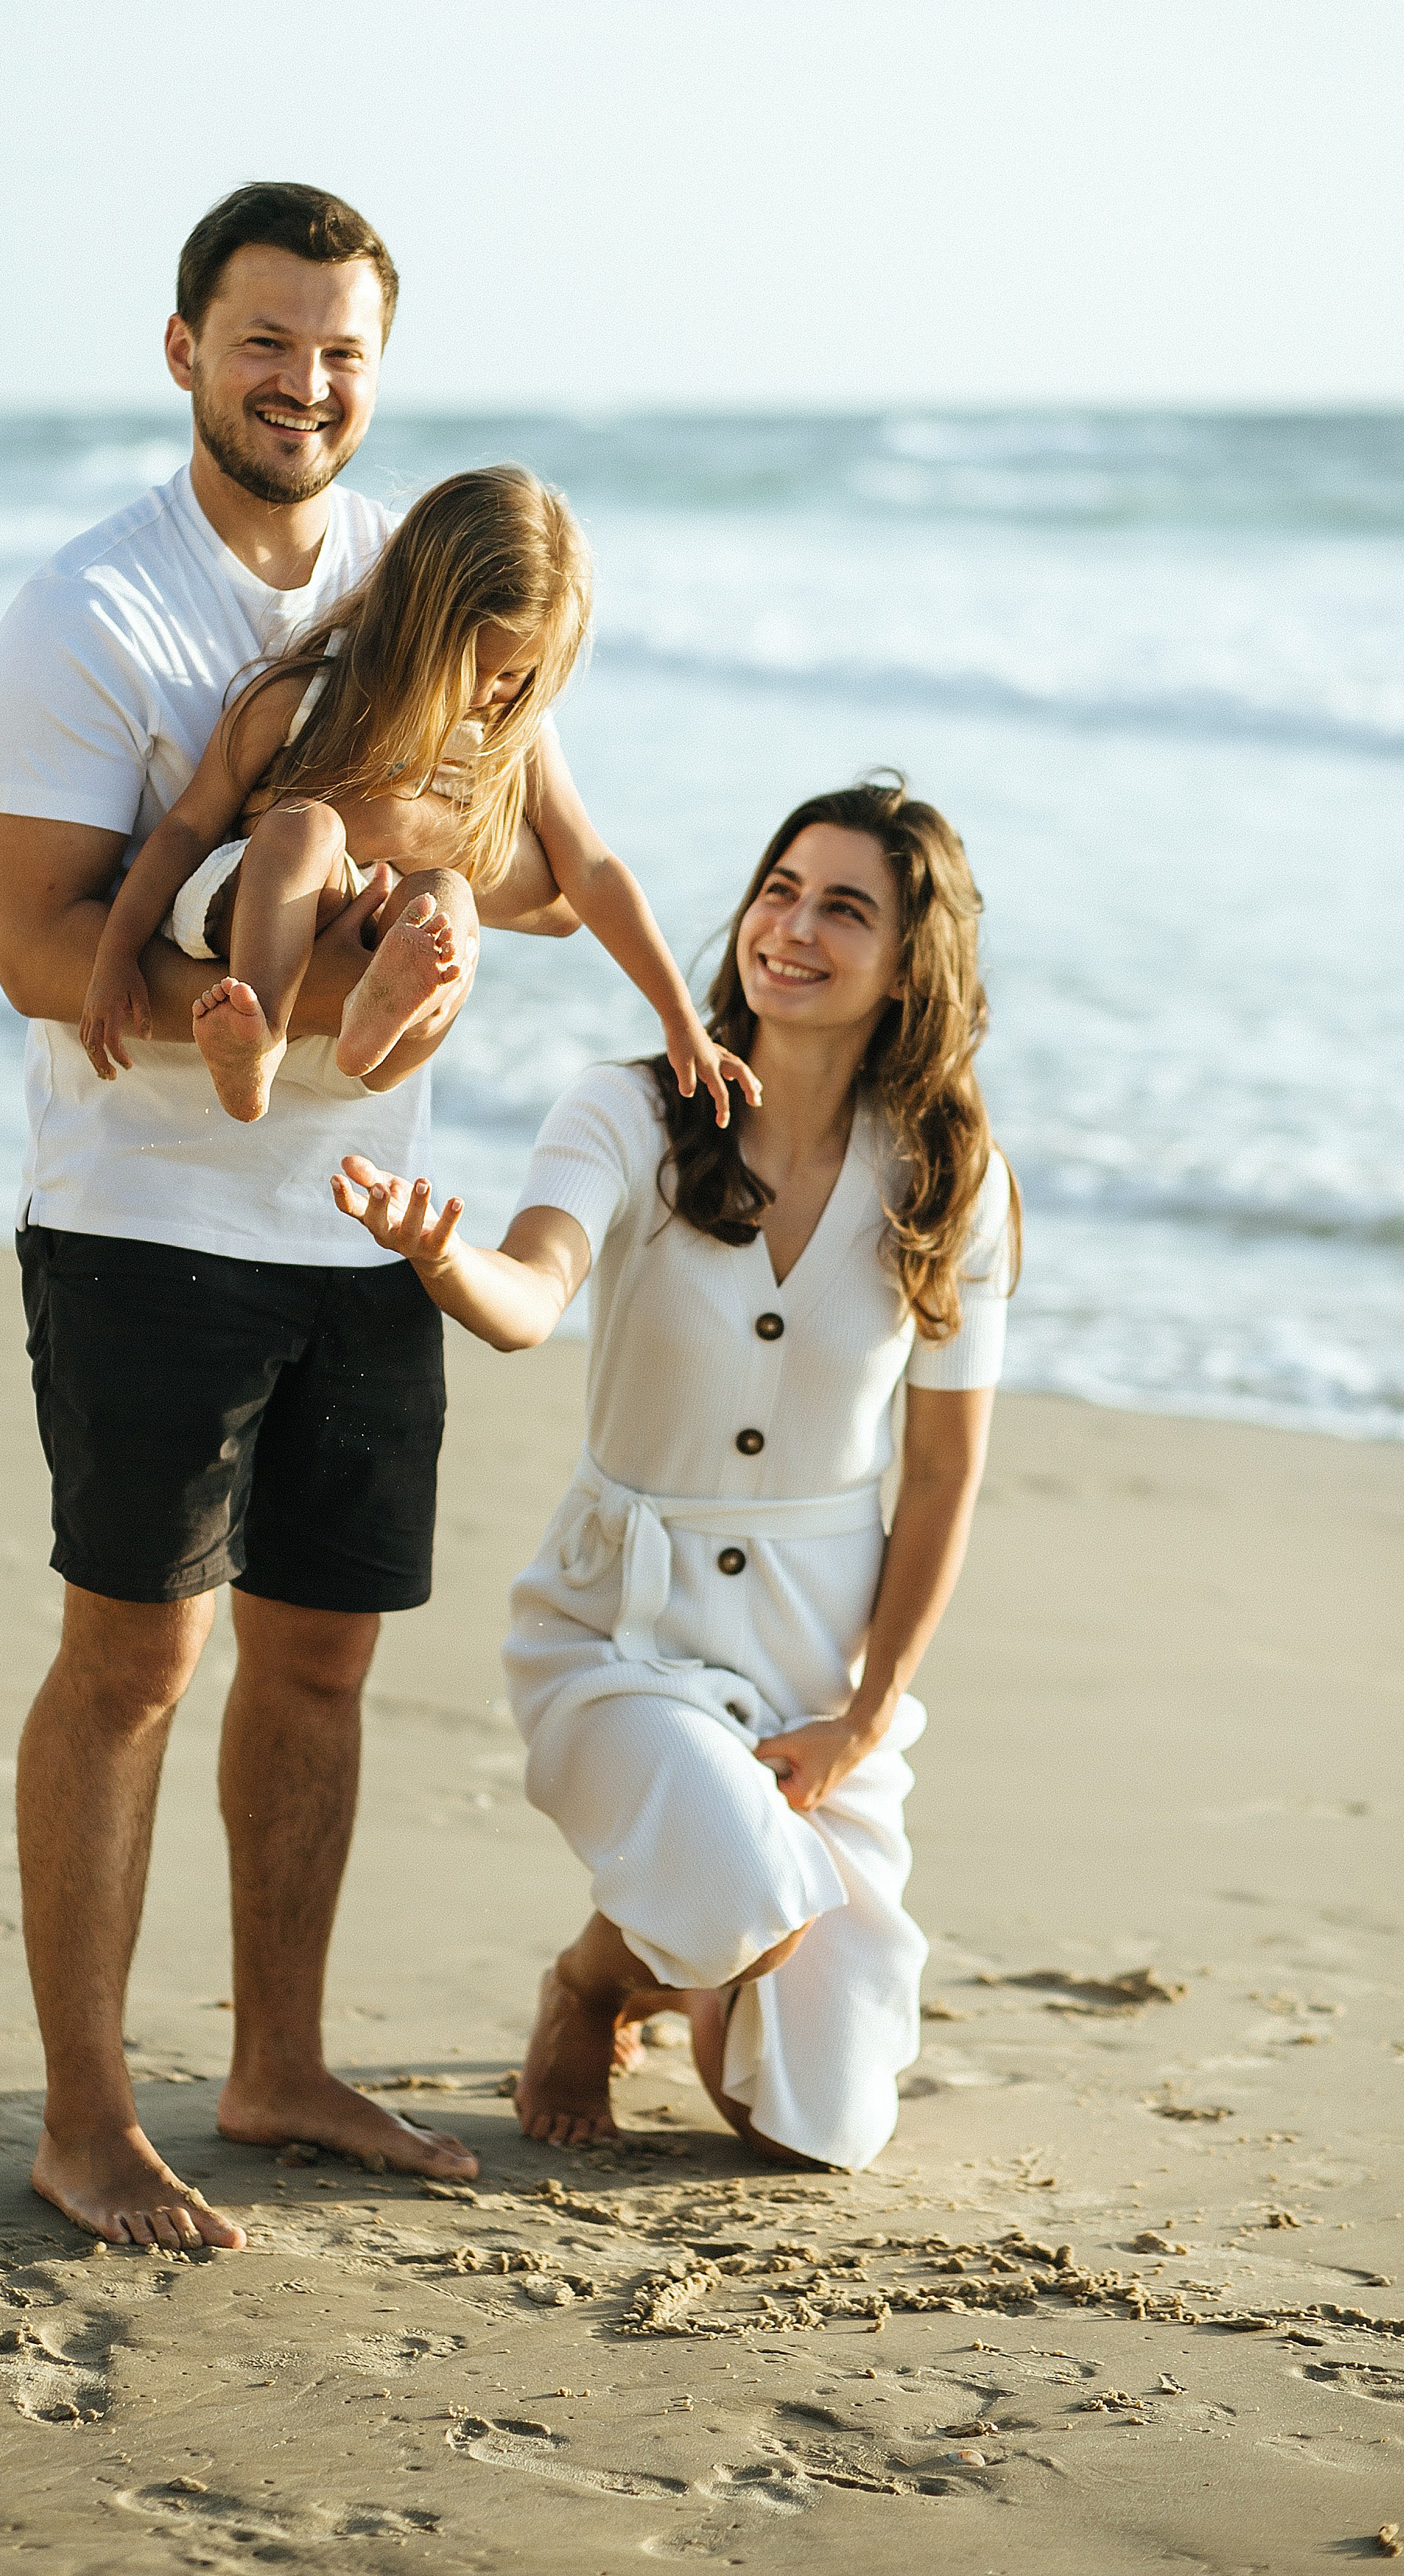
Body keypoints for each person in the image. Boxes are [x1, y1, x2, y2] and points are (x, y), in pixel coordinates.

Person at [0, 182, 498, 2251]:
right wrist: (251, 1003)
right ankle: (85, 2119)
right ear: (183, 349)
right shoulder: (89, 614)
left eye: (345, 348)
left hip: (367, 1224)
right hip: (148, 1224)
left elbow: (515, 842)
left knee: (325, 1666)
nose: (307, 383)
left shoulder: (414, 585)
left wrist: (447, 940)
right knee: (132, 1663)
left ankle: (276, 2066)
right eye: (267, 340)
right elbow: (35, 943)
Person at [333, 778, 1019, 2170]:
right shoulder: (633, 1109)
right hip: (618, 1638)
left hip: (812, 1668)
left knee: (819, 2127)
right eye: (780, 889)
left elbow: (941, 1478)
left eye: (845, 907)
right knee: (751, 1894)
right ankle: (594, 1982)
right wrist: (444, 1258)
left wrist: (865, 1717)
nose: (795, 927)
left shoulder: (952, 1175)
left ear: (908, 965)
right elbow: (533, 1289)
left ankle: (645, 1949)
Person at [77, 465, 755, 1129]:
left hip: (376, 934)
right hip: (256, 903)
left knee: (444, 899)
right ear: (412, 623)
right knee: (305, 828)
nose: (488, 694)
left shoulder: (512, 734)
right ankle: (261, 1034)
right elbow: (188, 830)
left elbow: (592, 871)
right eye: (471, 666)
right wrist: (116, 956)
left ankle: (381, 1024)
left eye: (515, 675)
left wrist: (680, 1018)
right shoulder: (304, 693)